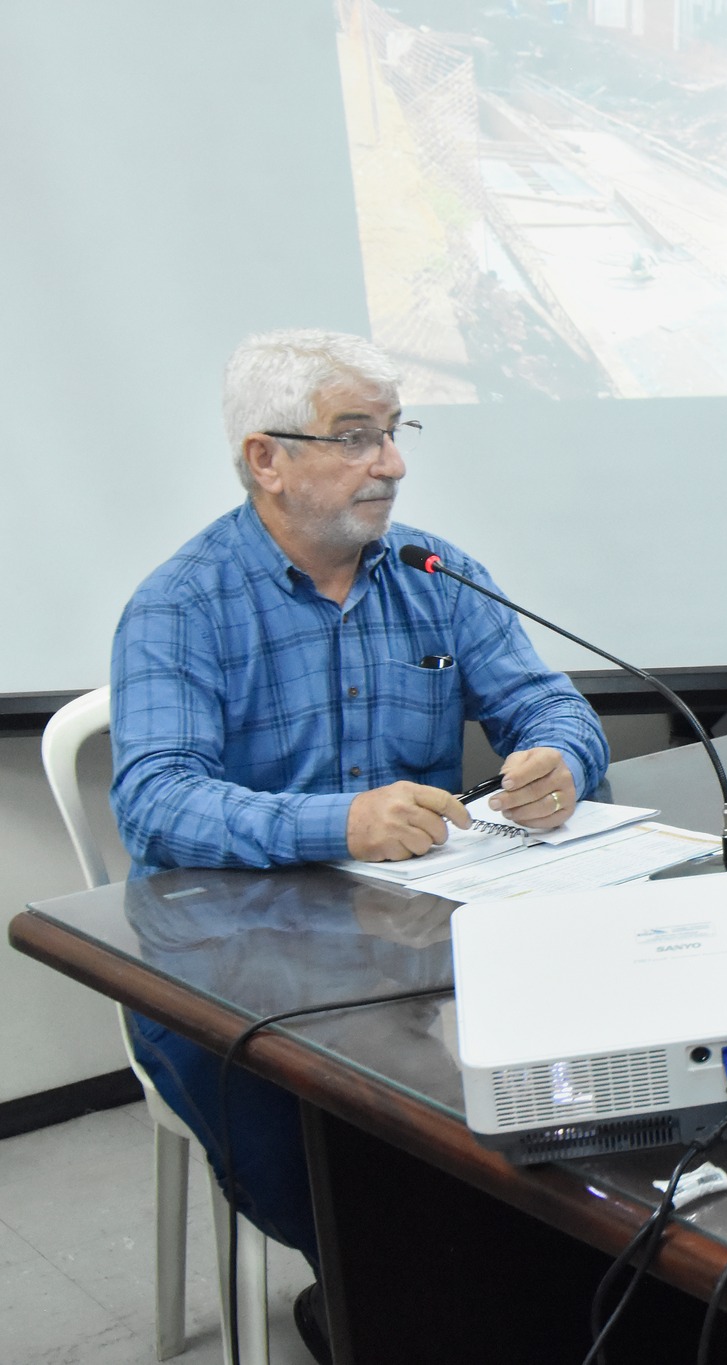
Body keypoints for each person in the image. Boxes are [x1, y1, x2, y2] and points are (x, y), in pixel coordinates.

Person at [109, 328, 609, 1361]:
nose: (392, 463)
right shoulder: (180, 605)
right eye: (355, 437)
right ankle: (383, 1299)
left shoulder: (436, 574)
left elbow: (550, 707)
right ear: (266, 459)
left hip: (415, 939)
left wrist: (558, 758)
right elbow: (155, 801)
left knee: (572, 1088)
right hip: (228, 967)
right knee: (354, 1183)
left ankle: (531, 1290)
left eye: (393, 432)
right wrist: (336, 823)